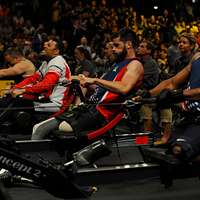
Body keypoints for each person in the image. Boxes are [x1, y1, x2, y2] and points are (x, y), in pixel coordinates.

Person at [31, 28, 144, 140]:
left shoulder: (135, 64)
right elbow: (100, 89)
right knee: (39, 128)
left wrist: (95, 80)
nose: (113, 49)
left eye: (116, 45)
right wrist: (84, 81)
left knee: (60, 127)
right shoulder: (116, 64)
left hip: (101, 113)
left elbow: (124, 88)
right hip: (89, 108)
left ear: (129, 44)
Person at [135, 51, 200, 161]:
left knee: (178, 149)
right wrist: (147, 94)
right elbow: (172, 82)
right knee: (155, 151)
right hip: (189, 117)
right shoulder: (197, 57)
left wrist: (177, 94)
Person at [8, 38, 71, 113]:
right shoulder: (47, 62)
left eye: (48, 45)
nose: (44, 45)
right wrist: (15, 87)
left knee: (19, 103)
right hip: (45, 98)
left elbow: (46, 85)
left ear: (56, 51)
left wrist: (23, 90)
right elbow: (33, 78)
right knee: (13, 100)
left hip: (55, 103)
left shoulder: (57, 62)